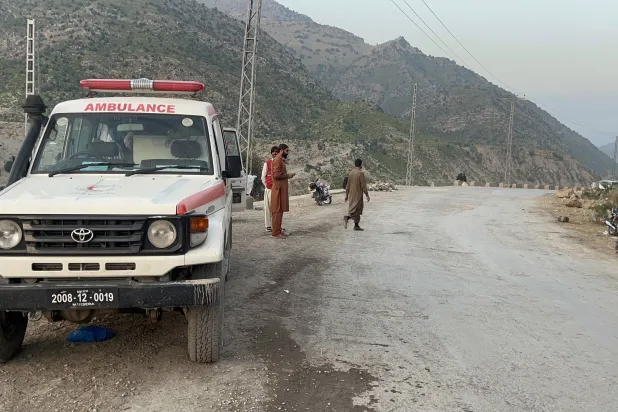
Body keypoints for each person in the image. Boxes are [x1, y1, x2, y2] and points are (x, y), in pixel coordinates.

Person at [271, 144, 296, 239]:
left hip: (280, 189)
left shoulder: (279, 160)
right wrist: (288, 175)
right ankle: (276, 232)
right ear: (281, 150)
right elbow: (276, 175)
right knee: (277, 210)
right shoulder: (277, 160)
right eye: (286, 151)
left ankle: (278, 230)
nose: (287, 153)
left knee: (279, 210)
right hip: (278, 190)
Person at [344, 159, 370, 231]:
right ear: (361, 165)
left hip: (351, 196)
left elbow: (347, 186)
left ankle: (356, 225)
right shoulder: (360, 173)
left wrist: (346, 195)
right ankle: (348, 218)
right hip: (358, 196)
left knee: (353, 210)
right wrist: (367, 195)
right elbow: (363, 186)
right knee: (357, 211)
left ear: (355, 164)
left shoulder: (351, 173)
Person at [261, 146, 279, 232]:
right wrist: (267, 186)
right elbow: (263, 177)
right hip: (269, 189)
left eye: (276, 152)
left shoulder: (281, 163)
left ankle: (276, 225)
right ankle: (268, 225)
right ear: (271, 153)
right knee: (268, 207)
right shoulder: (267, 163)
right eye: (273, 152)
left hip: (278, 189)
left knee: (277, 208)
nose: (275, 153)